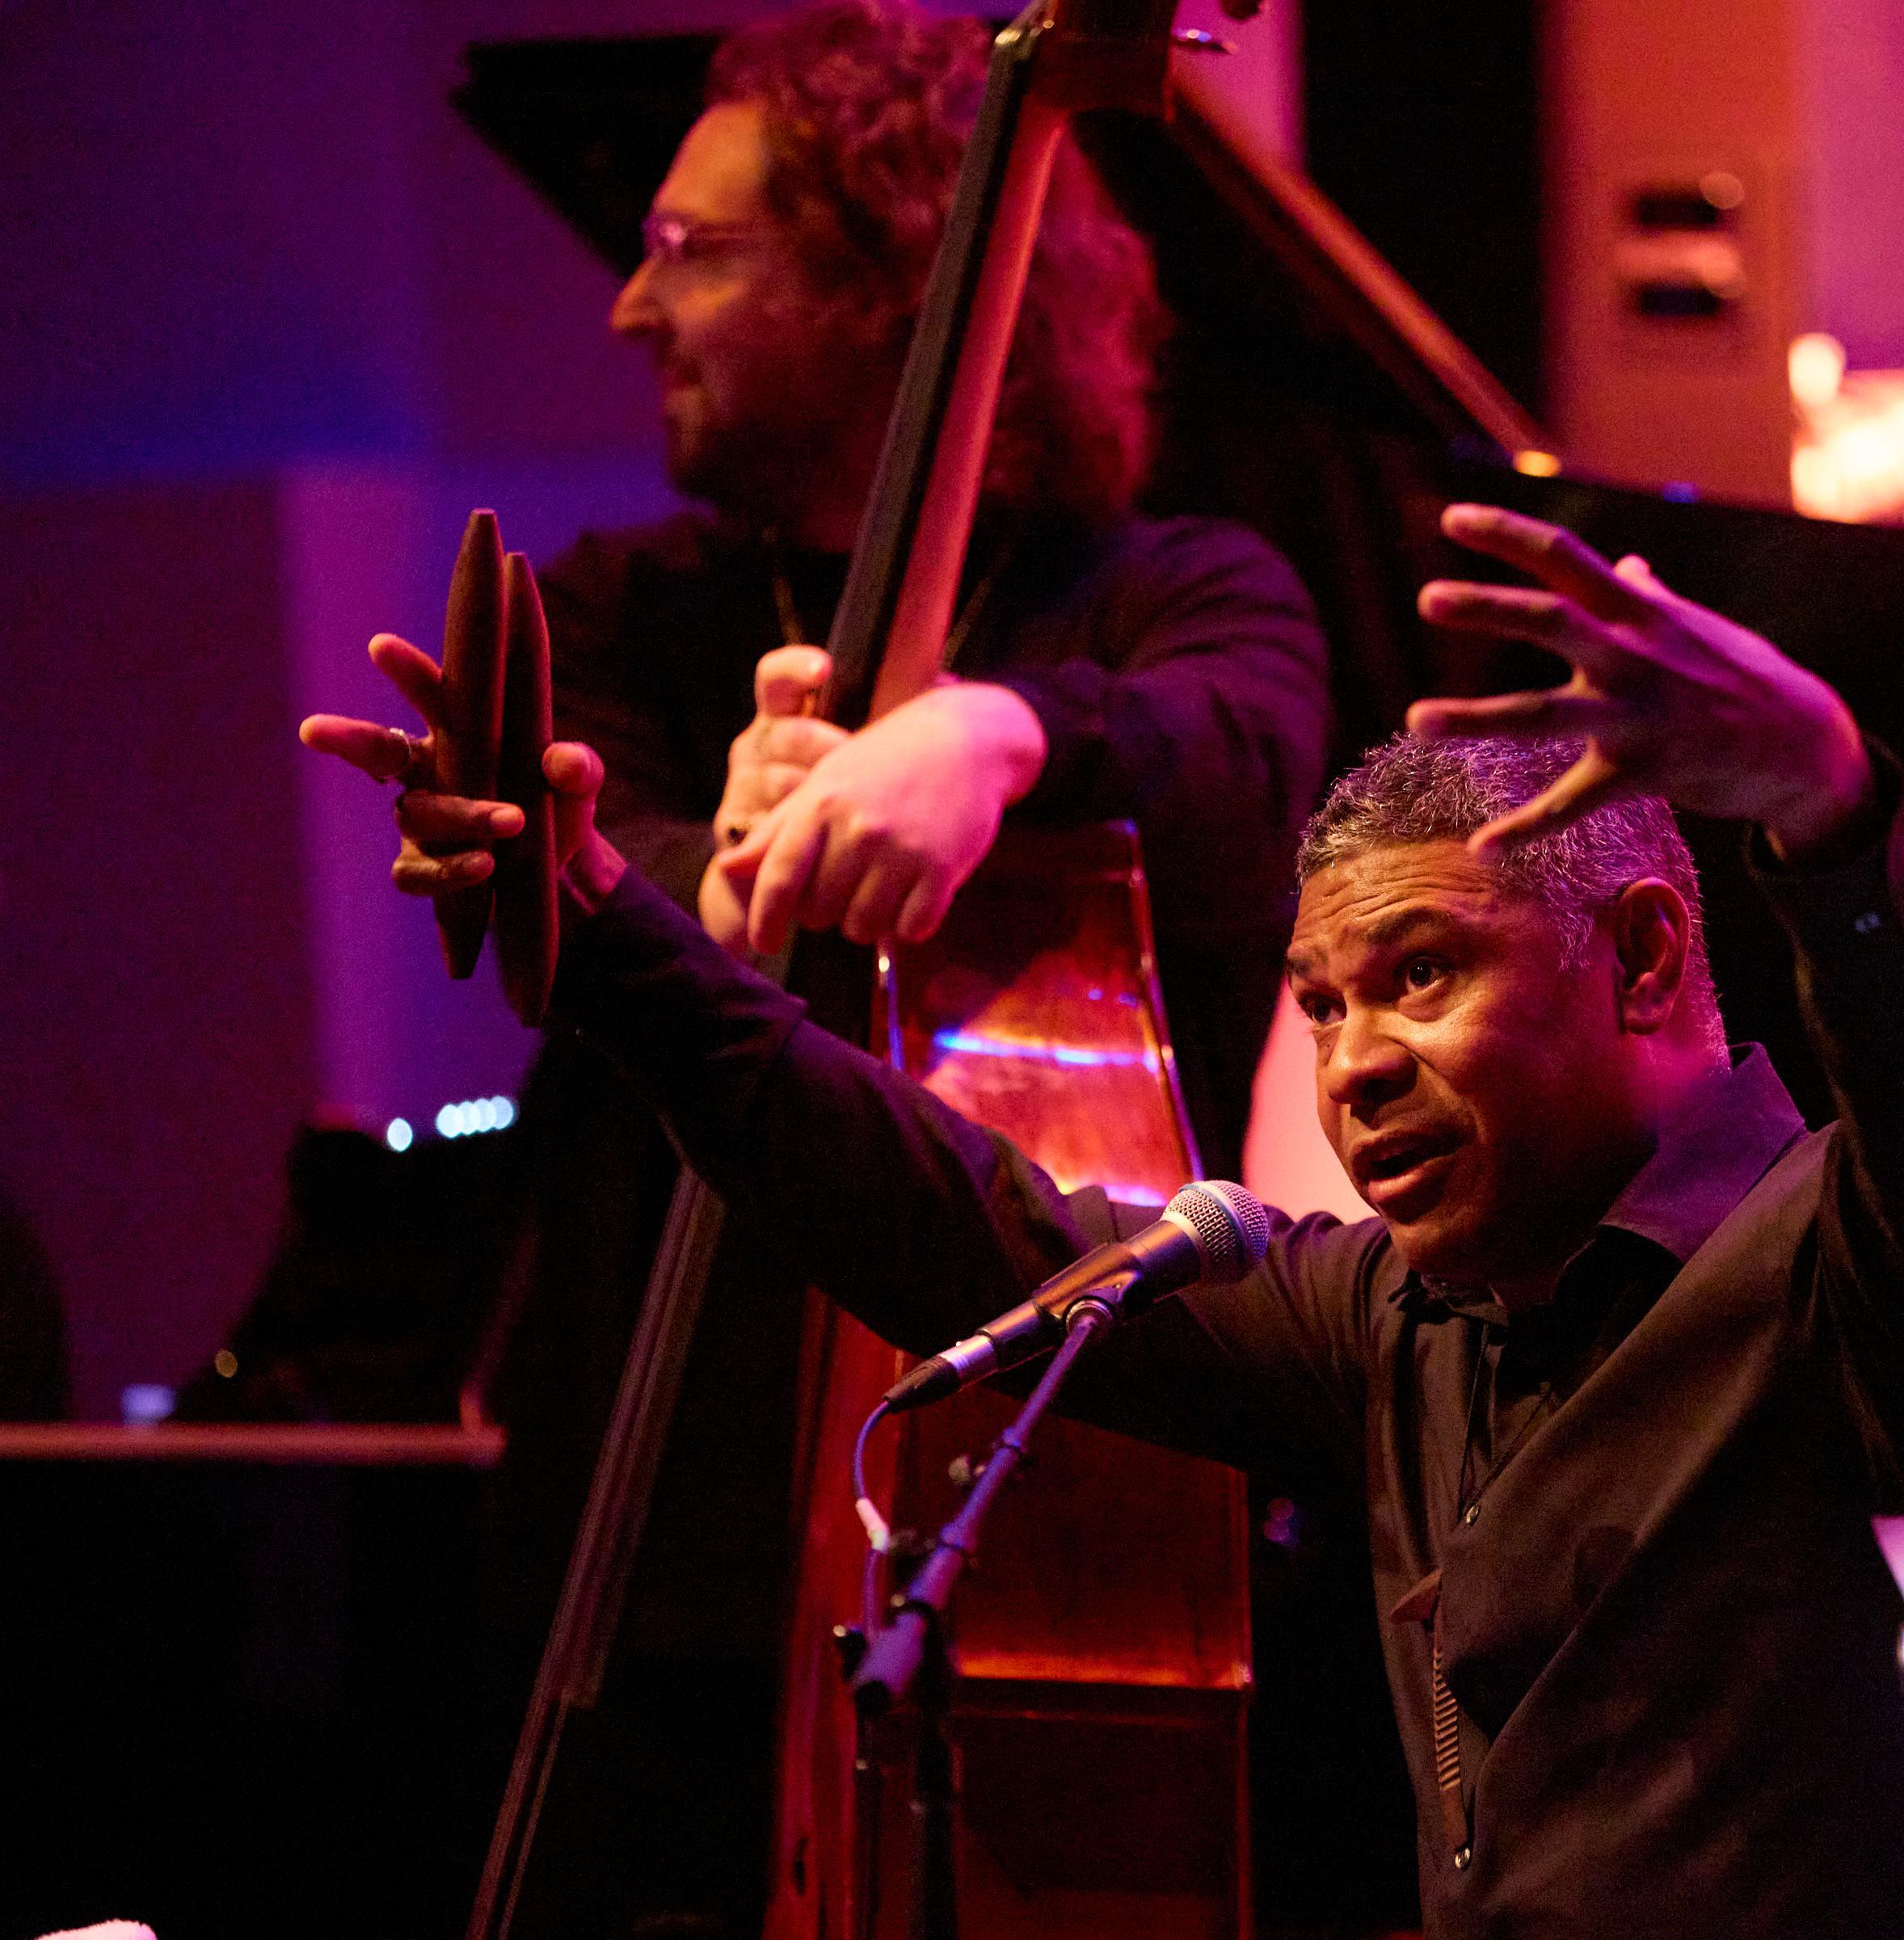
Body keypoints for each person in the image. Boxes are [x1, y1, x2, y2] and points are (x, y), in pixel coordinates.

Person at [314, 500, 1904, 1938]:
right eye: (1324, 1005)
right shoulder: (1395, 1318)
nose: (1356, 1064)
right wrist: (604, 924)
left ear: (1639, 956)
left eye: (1422, 974)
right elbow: (958, 1216)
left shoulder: (1860, 1269)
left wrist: (1832, 808)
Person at [449, 2, 1327, 1929]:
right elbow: (581, 856)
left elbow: (1249, 765)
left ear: (882, 280)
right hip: (657, 1547)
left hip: (1025, 1546)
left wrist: (1001, 733)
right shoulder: (620, 613)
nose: (629, 305)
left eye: (688, 249)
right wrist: (707, 870)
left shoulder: (1182, 593)